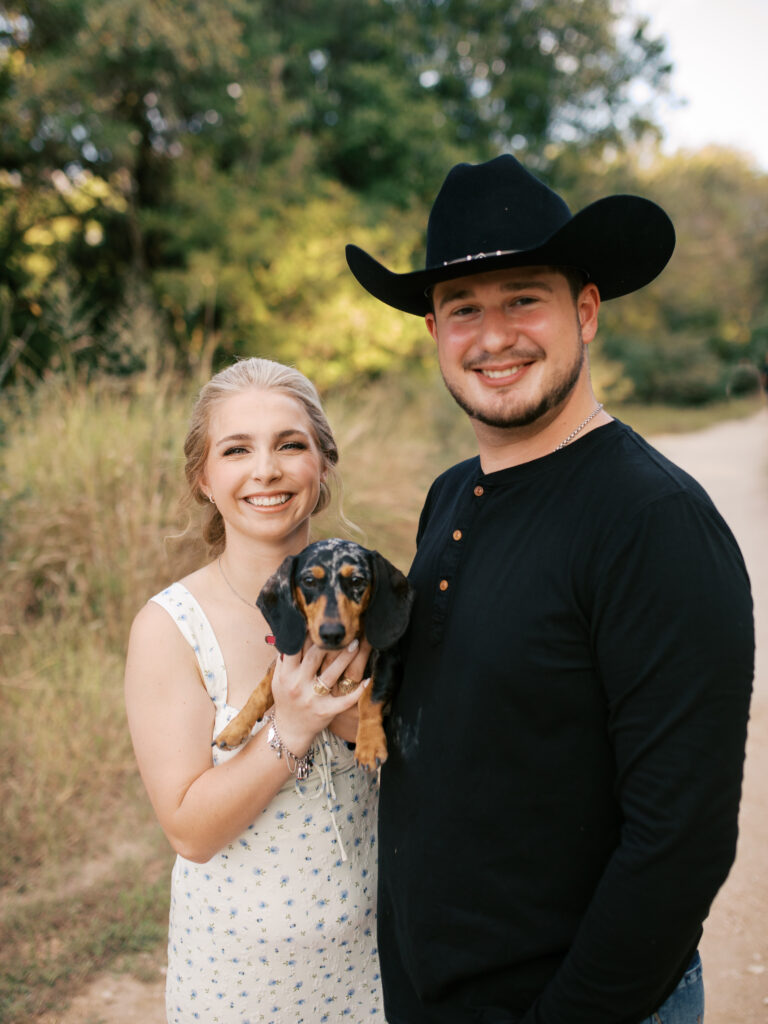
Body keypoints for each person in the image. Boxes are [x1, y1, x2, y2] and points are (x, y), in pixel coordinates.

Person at [345, 155, 755, 1024]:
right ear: (434, 333)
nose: (493, 337)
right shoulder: (450, 492)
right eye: (464, 310)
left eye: (523, 298)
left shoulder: (655, 524)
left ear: (586, 310)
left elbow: (677, 845)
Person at [125, 357, 384, 1023]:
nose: (265, 470)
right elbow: (190, 832)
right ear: (203, 478)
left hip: (376, 965)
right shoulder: (170, 628)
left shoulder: (365, 597)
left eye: (290, 445)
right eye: (236, 449)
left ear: (322, 464)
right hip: (242, 983)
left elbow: (418, 762)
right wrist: (290, 727)